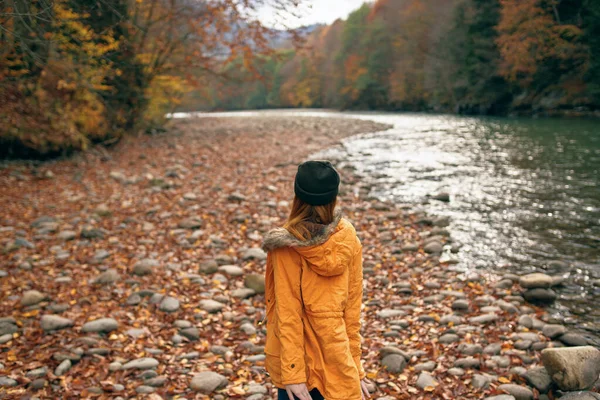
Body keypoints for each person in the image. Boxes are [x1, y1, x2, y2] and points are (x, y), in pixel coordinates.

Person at [262, 160, 371, 400]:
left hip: (299, 364)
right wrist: (354, 366)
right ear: (334, 197)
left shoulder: (287, 245)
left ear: (297, 196)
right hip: (337, 358)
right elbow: (352, 314)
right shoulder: (347, 236)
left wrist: (293, 374)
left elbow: (287, 312)